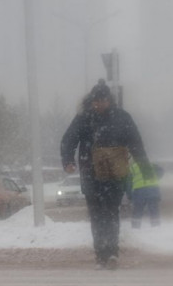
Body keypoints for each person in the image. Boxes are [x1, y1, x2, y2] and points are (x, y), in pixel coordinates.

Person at [61, 80, 153, 270]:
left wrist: (145, 168)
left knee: (111, 213)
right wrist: (68, 160)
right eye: (97, 101)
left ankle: (111, 253)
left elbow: (136, 143)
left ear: (109, 100)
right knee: (96, 215)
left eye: (103, 101)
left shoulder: (122, 118)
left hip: (115, 174)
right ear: (91, 101)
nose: (100, 104)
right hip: (90, 175)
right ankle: (100, 255)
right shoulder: (84, 118)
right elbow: (68, 140)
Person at [129, 161, 162, 228]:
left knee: (138, 210)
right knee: (154, 209)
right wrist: (156, 178)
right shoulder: (152, 164)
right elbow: (161, 171)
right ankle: (156, 226)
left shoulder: (132, 168)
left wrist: (129, 194)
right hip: (153, 190)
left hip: (139, 191)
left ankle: (135, 227)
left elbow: (128, 182)